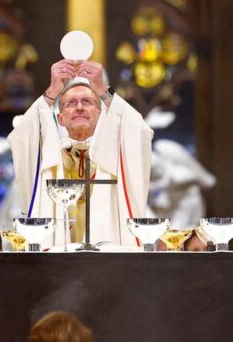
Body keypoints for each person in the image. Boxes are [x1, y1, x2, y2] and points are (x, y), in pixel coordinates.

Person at [8, 59, 152, 247]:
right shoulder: (48, 155)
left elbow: (139, 132)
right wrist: (51, 92)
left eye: (88, 101)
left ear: (101, 115)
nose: (79, 107)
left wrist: (103, 92)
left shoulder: (115, 155)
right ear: (60, 118)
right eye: (70, 103)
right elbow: (22, 136)